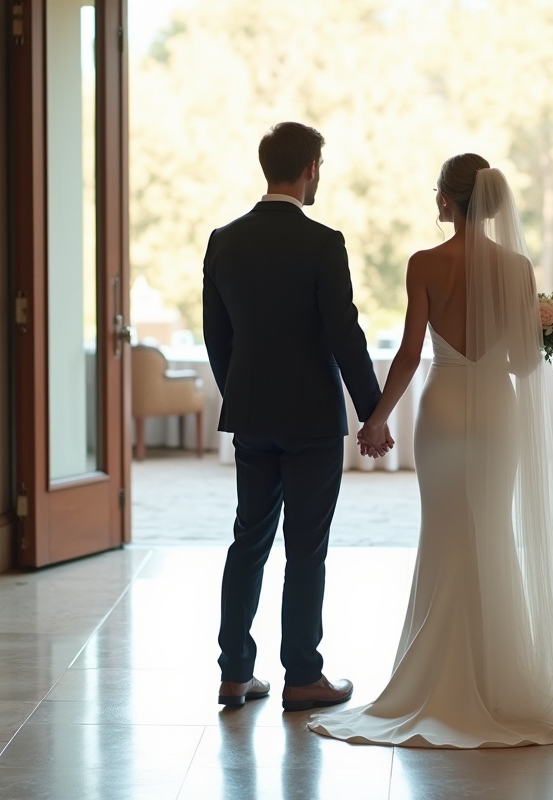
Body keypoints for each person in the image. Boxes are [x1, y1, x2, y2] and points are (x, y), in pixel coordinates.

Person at [308, 154, 553, 747]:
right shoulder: (516, 268)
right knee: (491, 530)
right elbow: (522, 364)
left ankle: (432, 679)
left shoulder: (425, 264)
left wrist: (376, 418)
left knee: (443, 532)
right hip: (496, 411)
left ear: (447, 201)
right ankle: (501, 682)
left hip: (442, 410)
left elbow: (411, 354)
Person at [203, 122, 393, 713]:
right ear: (310, 168)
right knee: (305, 548)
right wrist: (373, 412)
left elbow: (217, 336)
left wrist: (241, 394)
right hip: (312, 420)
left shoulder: (224, 240)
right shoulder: (323, 243)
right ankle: (304, 677)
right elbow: (345, 334)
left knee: (248, 541)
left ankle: (235, 673)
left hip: (253, 415)